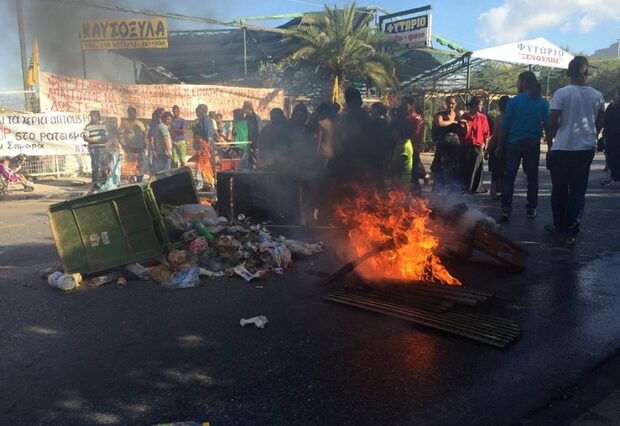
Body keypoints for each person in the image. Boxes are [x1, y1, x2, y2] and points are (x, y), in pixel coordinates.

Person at [547, 56, 605, 245]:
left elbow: (553, 122)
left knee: (560, 189)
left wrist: (561, 130)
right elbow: (600, 121)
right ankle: (572, 229)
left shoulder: (561, 93)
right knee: (578, 189)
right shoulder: (598, 95)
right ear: (587, 72)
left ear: (568, 73)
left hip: (562, 147)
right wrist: (592, 135)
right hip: (585, 149)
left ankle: (559, 225)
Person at [498, 72, 551, 221]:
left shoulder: (514, 102)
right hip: (532, 143)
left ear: (523, 82)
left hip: (514, 142)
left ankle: (506, 209)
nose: (517, 83)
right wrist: (551, 148)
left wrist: (500, 145)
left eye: (518, 80)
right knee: (532, 177)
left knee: (510, 177)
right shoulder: (542, 102)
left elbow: (505, 126)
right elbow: (548, 127)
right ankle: (531, 208)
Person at [433, 96, 465, 189]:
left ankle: (453, 187)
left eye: (453, 103)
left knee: (454, 166)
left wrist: (464, 125)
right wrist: (452, 122)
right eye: (449, 103)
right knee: (440, 165)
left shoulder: (458, 115)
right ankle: (438, 187)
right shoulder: (440, 114)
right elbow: (440, 123)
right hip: (443, 143)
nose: (451, 105)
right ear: (446, 104)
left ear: (455, 104)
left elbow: (462, 129)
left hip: (455, 143)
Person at [459, 97, 490, 193]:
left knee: (477, 167)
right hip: (466, 145)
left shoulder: (482, 117)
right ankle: (465, 186)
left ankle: (476, 187)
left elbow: (486, 133)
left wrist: (485, 145)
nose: (481, 106)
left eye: (481, 104)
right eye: (479, 104)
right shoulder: (464, 117)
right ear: (473, 106)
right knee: (466, 166)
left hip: (477, 145)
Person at [485, 95, 510, 200]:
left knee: (496, 171)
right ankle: (505, 193)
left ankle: (494, 193)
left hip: (498, 148)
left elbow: (495, 136)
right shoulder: (514, 118)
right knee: (506, 172)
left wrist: (487, 150)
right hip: (509, 147)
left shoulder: (500, 118)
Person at [401, 96, 427, 190]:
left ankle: (416, 190)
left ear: (411, 105)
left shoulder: (417, 118)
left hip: (413, 146)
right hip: (403, 146)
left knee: (414, 168)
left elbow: (417, 134)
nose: (403, 106)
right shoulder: (403, 118)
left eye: (405, 104)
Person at [118, 106, 147, 182]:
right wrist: (122, 144)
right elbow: (119, 133)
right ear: (128, 114)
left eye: (133, 114)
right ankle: (131, 179)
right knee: (130, 163)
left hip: (139, 146)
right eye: (130, 114)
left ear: (135, 114)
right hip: (129, 147)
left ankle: (139, 178)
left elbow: (144, 133)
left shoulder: (139, 123)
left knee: (140, 163)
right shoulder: (125, 122)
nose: (132, 115)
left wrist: (144, 142)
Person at [83, 110, 110, 186]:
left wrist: (103, 140)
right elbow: (86, 138)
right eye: (92, 116)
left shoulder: (103, 126)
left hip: (103, 149)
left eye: (95, 116)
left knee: (104, 165)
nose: (93, 118)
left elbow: (107, 137)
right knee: (95, 165)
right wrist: (96, 141)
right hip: (93, 149)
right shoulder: (88, 127)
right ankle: (95, 181)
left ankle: (104, 180)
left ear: (98, 117)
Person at [602, 88, 620, 188]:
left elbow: (605, 119)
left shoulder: (613, 105)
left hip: (613, 136)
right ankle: (614, 177)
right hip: (614, 135)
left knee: (613, 157)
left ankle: (616, 178)